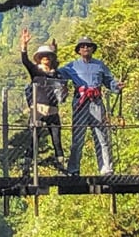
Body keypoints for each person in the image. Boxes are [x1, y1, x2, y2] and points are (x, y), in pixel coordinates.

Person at [59, 35, 122, 177]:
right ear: (79, 50)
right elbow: (56, 75)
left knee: (102, 136)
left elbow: (109, 81)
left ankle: (106, 168)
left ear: (92, 49)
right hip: (80, 102)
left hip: (96, 102)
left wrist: (116, 86)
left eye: (88, 46)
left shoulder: (100, 65)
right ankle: (73, 170)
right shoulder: (71, 66)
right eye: (82, 46)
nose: (85, 48)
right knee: (78, 137)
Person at [19, 29, 68, 172]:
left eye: (48, 56)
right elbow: (25, 61)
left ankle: (61, 165)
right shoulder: (36, 71)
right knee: (34, 139)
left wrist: (55, 50)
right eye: (43, 56)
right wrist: (24, 45)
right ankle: (27, 167)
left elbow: (61, 91)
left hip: (53, 112)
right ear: (39, 58)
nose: (46, 58)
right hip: (38, 111)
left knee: (57, 140)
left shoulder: (56, 74)